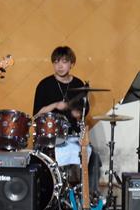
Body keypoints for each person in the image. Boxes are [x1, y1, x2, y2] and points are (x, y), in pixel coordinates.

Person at [33, 46, 101, 196]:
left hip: (72, 135)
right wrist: (55, 105)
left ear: (72, 64)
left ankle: (89, 197)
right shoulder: (44, 85)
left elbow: (83, 112)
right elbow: (36, 115)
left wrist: (78, 114)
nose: (60, 66)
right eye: (56, 62)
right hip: (50, 137)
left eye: (64, 62)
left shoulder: (78, 84)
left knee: (94, 156)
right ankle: (51, 194)